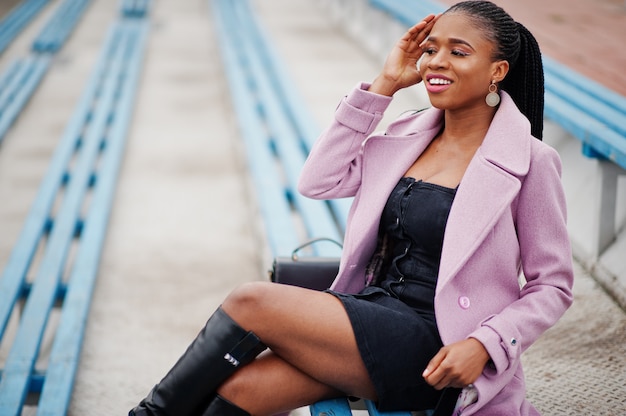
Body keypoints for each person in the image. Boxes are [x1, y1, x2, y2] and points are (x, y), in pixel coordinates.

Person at [129, 1, 574, 415]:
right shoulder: (406, 134)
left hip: (438, 343)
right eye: (431, 48)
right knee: (242, 391)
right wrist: (384, 86)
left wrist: (485, 344)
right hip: (372, 311)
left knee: (252, 301)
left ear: (497, 70)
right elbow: (318, 180)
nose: (436, 62)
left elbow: (551, 285)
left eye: (458, 52)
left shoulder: (530, 162)